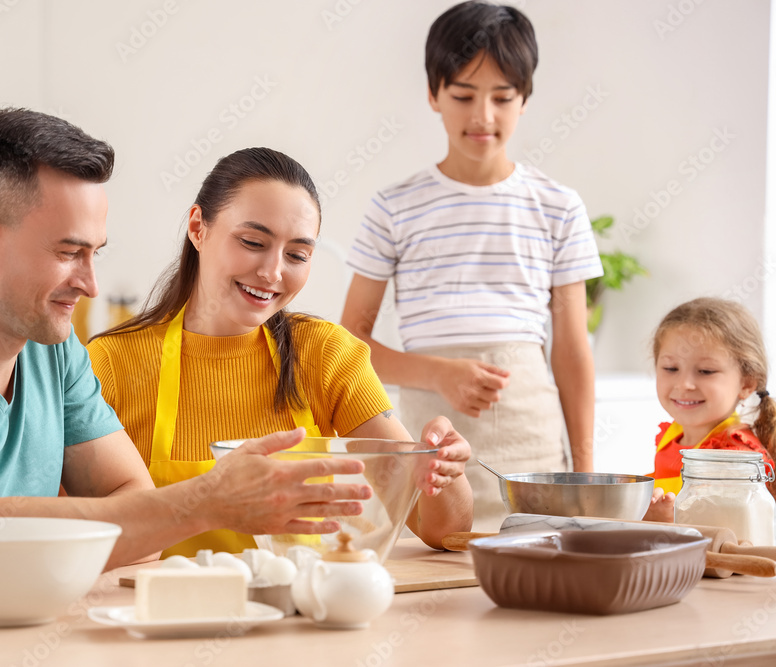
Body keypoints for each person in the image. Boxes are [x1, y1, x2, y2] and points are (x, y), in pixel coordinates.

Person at [0, 109, 375, 596]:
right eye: (68, 252)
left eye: (96, 253)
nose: (90, 283)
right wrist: (209, 499)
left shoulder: (53, 354)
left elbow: (139, 514)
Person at [87, 147, 474, 557]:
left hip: (297, 615)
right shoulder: (108, 364)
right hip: (164, 615)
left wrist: (442, 469)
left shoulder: (327, 355)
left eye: (297, 255)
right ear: (198, 228)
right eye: (253, 241)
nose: (273, 272)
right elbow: (75, 535)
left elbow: (444, 531)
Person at [339, 1, 603, 531]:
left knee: (535, 573)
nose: (483, 117)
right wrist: (439, 374)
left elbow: (572, 349)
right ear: (434, 95)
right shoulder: (394, 206)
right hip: (428, 430)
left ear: (524, 99)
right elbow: (350, 344)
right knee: (433, 569)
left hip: (530, 432)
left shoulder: (559, 206)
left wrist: (585, 471)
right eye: (463, 95)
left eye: (502, 97)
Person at [643, 297, 776, 522]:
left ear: (746, 383)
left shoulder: (735, 457)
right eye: (671, 368)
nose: (684, 384)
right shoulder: (673, 435)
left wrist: (668, 520)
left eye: (705, 371)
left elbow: (730, 534)